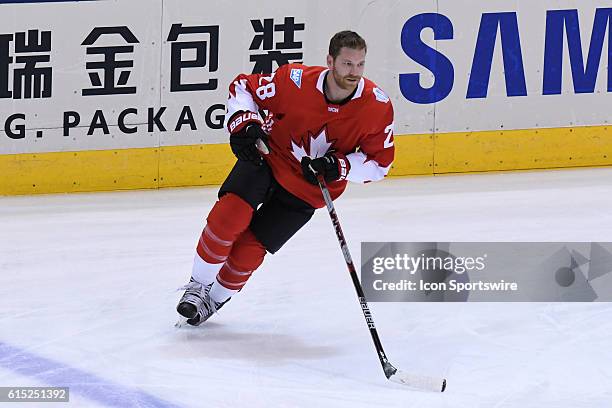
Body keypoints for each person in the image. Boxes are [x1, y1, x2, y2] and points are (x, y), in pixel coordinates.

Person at [176, 30, 395, 326]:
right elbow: (244, 86)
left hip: (309, 189)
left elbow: (380, 164)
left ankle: (214, 299)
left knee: (250, 250)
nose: (353, 72)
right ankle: (198, 286)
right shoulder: (295, 80)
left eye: (359, 65)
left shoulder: (377, 107)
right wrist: (244, 123)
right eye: (346, 64)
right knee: (229, 217)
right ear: (330, 60)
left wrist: (341, 166)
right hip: (268, 158)